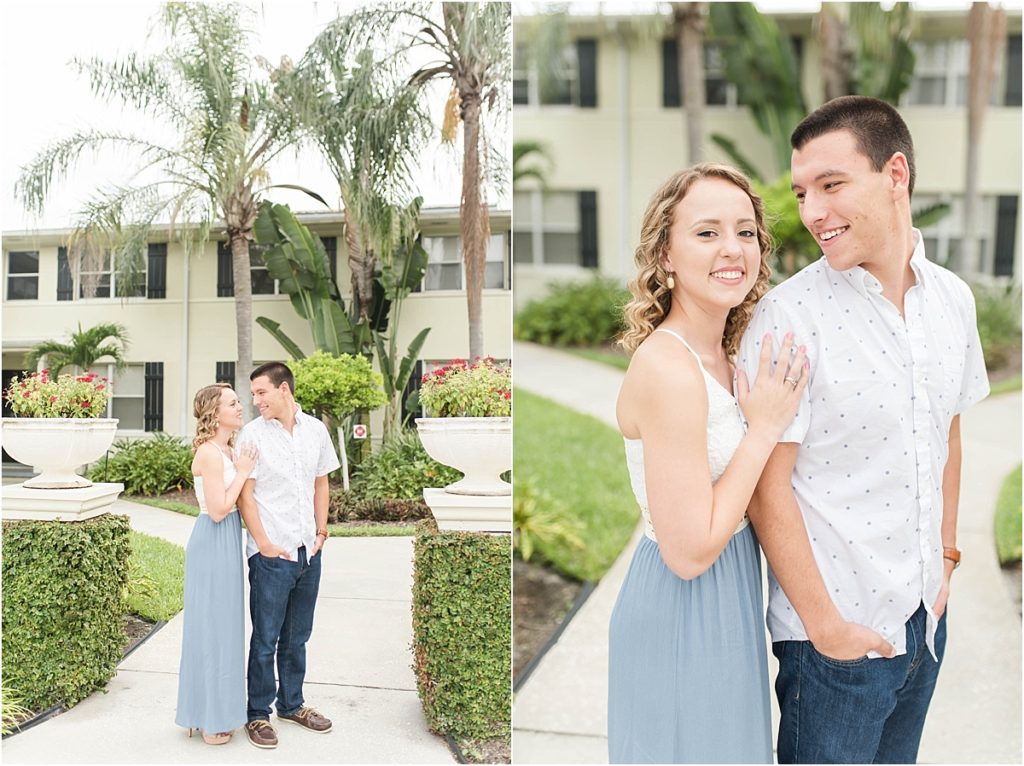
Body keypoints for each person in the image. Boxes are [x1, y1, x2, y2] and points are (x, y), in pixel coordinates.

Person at [737, 96, 990, 764]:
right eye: (801, 192)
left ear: (895, 175)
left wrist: (947, 561)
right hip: (834, 648)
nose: (812, 211)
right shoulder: (790, 319)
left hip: (924, 627)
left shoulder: (953, 302)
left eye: (831, 185)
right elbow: (768, 490)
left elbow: (946, 434)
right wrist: (826, 628)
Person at [607, 163, 809, 764]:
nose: (732, 249)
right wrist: (764, 427)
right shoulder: (668, 368)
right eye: (706, 232)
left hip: (732, 596)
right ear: (664, 254)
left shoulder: (725, 353)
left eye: (745, 232)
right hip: (682, 607)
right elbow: (689, 550)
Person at [236, 362, 340, 750]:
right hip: (270, 553)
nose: (256, 401)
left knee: (297, 637)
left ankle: (292, 704)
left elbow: (321, 482)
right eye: (252, 395)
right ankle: (257, 713)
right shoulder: (252, 435)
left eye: (261, 393)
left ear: (284, 390)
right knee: (265, 638)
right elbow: (246, 495)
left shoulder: (316, 430)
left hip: (307, 551)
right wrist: (262, 543)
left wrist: (322, 531)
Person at [175, 383, 257, 744]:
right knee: (210, 627)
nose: (240, 407)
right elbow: (221, 508)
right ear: (214, 413)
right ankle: (208, 718)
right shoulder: (210, 453)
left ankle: (210, 710)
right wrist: (242, 472)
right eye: (233, 403)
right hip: (212, 537)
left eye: (239, 402)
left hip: (226, 540)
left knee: (225, 627)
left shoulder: (228, 449)